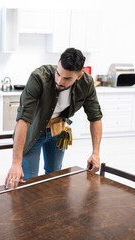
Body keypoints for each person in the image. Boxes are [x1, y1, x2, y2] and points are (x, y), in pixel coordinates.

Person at [5, 48, 103, 190]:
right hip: (33, 132)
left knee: (55, 176)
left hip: (57, 132)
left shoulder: (86, 84)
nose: (59, 81)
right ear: (58, 64)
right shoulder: (39, 77)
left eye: (67, 78)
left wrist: (96, 153)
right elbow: (23, 119)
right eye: (58, 74)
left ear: (79, 76)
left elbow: (95, 118)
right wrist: (15, 163)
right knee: (29, 180)